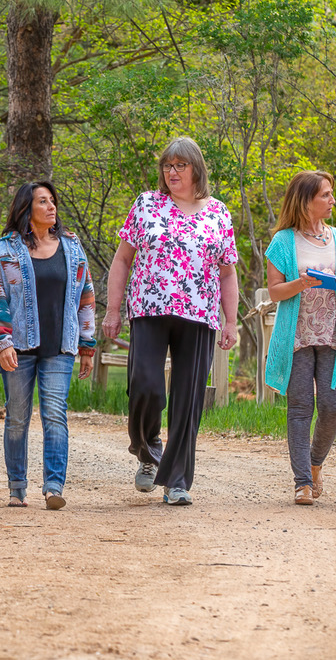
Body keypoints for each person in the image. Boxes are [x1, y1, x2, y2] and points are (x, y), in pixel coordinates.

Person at [103, 137, 239, 506]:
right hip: (148, 308)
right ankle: (147, 450)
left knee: (188, 399)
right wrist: (113, 310)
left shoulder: (218, 213)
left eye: (180, 165)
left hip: (200, 315)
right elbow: (122, 260)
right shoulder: (147, 204)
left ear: (197, 169)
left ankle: (176, 479)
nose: (172, 172)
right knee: (145, 385)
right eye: (167, 165)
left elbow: (227, 273)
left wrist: (231, 321)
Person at [0, 182, 98, 510]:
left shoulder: (72, 248)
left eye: (53, 201)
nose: (51, 207)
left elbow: (86, 297)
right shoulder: (4, 249)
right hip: (17, 347)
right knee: (18, 417)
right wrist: (1, 341)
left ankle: (53, 486)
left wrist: (87, 345)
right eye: (43, 202)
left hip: (60, 348)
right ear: (26, 209)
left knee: (55, 415)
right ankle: (17, 487)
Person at [264, 171, 336, 506]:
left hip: (334, 336)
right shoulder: (283, 241)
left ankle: (315, 462)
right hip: (296, 336)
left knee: (333, 406)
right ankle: (302, 483)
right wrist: (303, 282)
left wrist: (333, 283)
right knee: (300, 406)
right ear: (306, 200)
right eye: (325, 195)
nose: (332, 200)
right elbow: (276, 291)